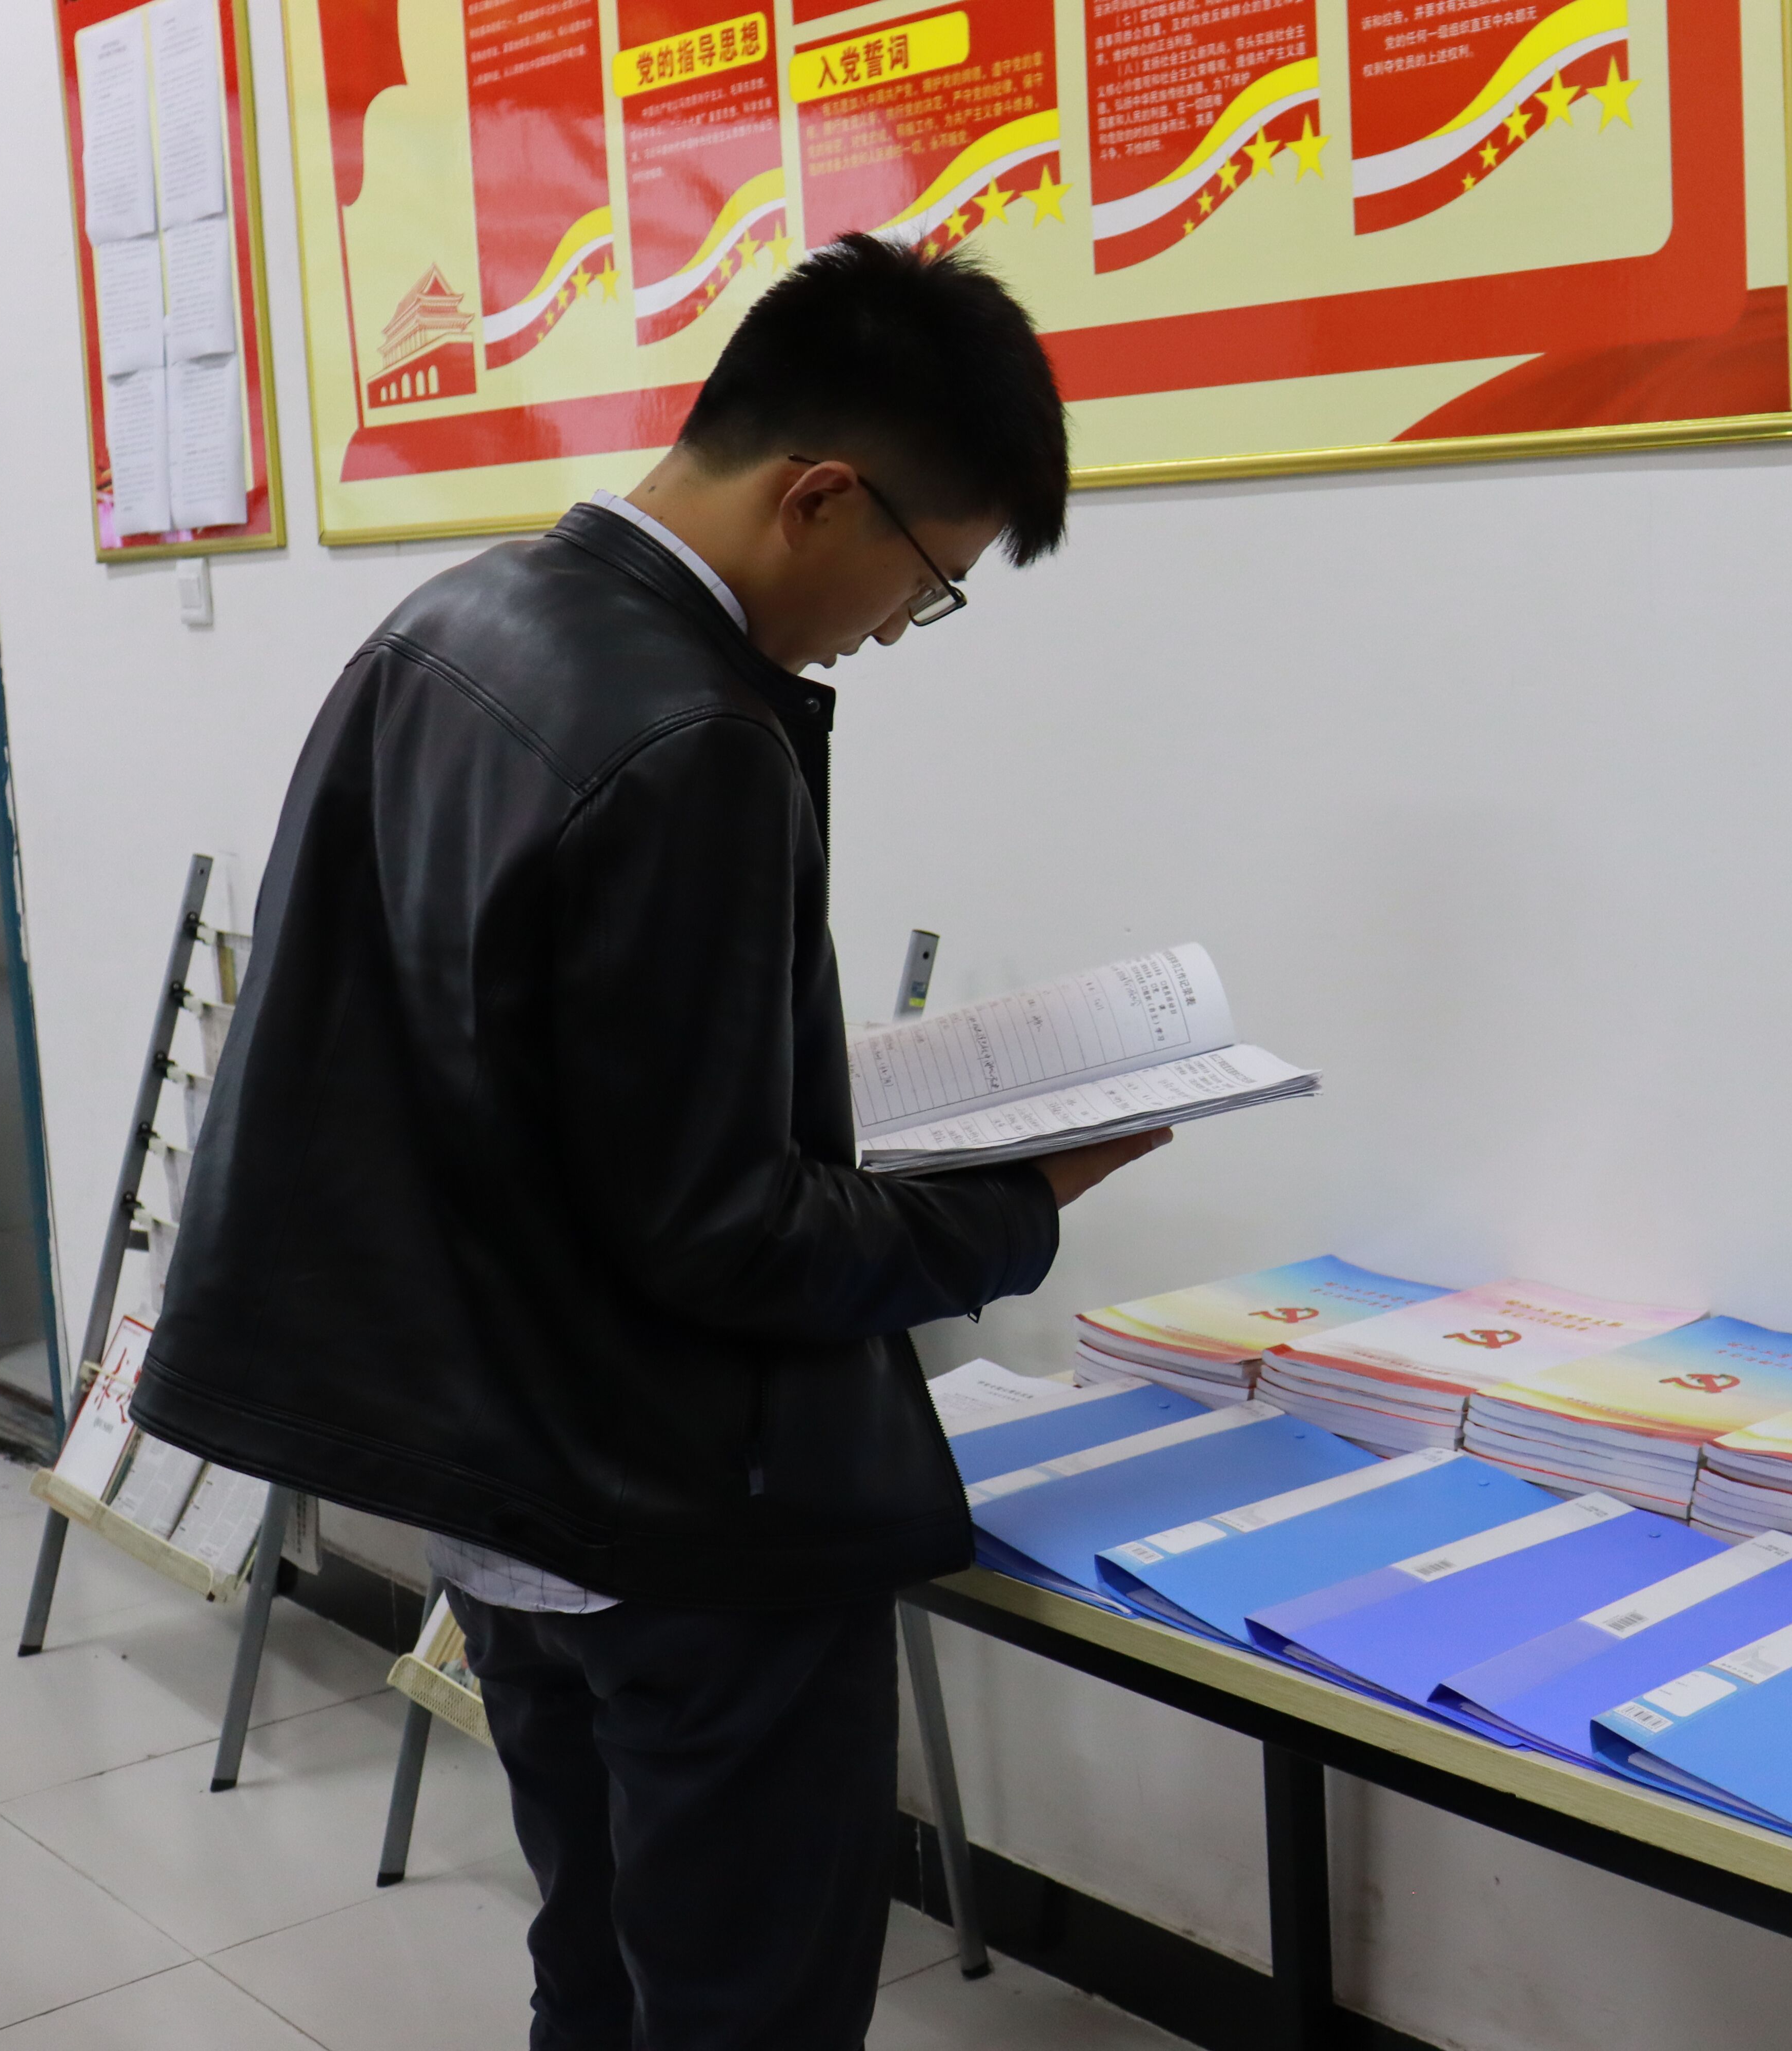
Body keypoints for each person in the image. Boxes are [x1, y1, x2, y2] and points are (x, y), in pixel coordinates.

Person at [132, 236, 1163, 2049]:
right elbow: (724, 1235)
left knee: (598, 1962)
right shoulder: (697, 737)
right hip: (677, 1509)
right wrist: (1017, 1204)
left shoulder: (455, 623)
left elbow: (484, 1058)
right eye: (926, 584)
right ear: (820, 495)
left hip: (499, 1469)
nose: (894, 631)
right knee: (742, 2001)